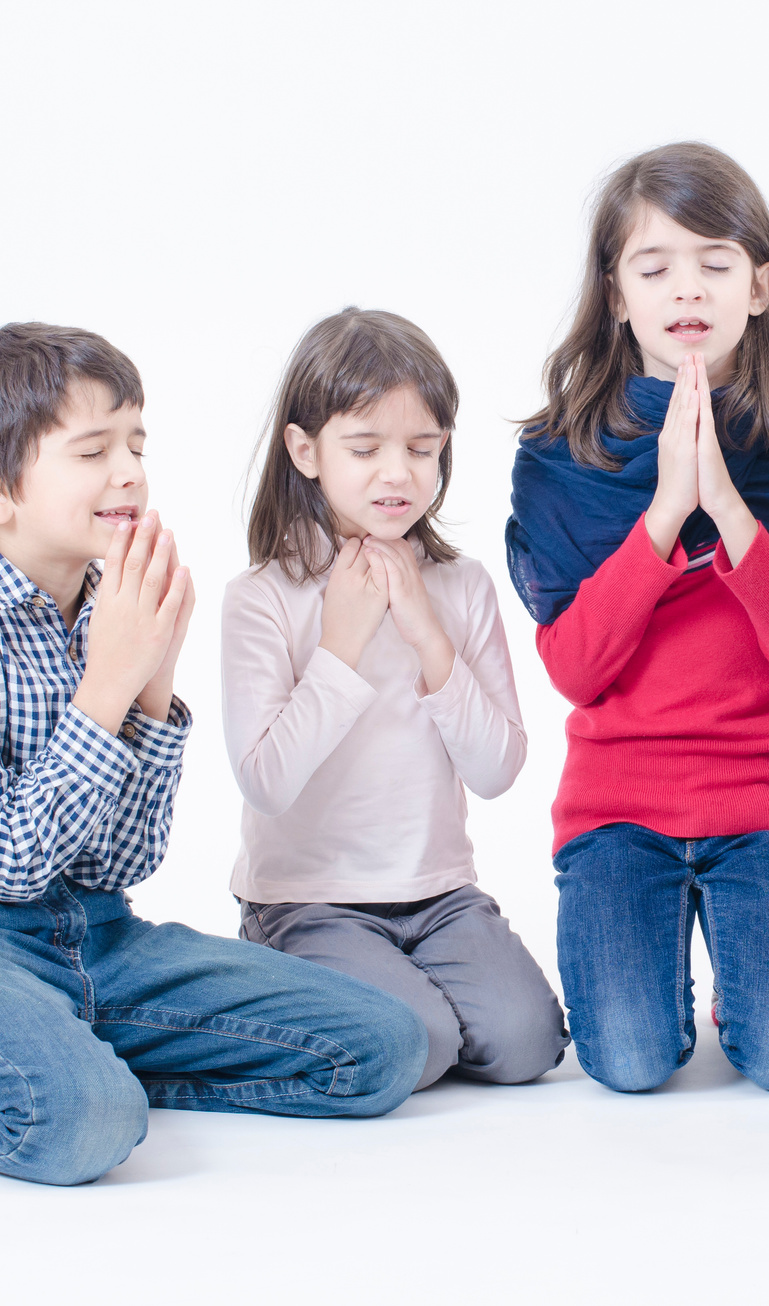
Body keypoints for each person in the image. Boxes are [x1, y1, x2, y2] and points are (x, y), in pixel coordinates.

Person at [0, 323, 427, 1185]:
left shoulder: (108, 607)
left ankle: (76, 1057)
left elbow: (122, 862)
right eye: (93, 451)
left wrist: (154, 697)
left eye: (137, 444)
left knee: (383, 1051)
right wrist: (109, 686)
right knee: (79, 1130)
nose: (131, 474)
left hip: (94, 931)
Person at [507, 142, 769, 1092]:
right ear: (617, 294)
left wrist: (731, 507)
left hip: (764, 801)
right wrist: (668, 510)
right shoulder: (561, 456)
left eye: (715, 263)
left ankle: (742, 969)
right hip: (617, 806)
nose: (687, 290)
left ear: (759, 286)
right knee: (626, 1063)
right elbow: (577, 670)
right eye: (655, 266)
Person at [224, 307, 567, 1091]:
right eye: (365, 447)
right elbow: (265, 780)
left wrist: (427, 635)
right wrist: (341, 646)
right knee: (418, 1041)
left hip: (438, 896)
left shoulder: (462, 585)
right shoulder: (262, 597)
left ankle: (399, 1005)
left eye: (422, 449)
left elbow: (498, 768)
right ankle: (303, 985)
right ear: (305, 451)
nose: (398, 474)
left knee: (525, 1045)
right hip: (308, 904)